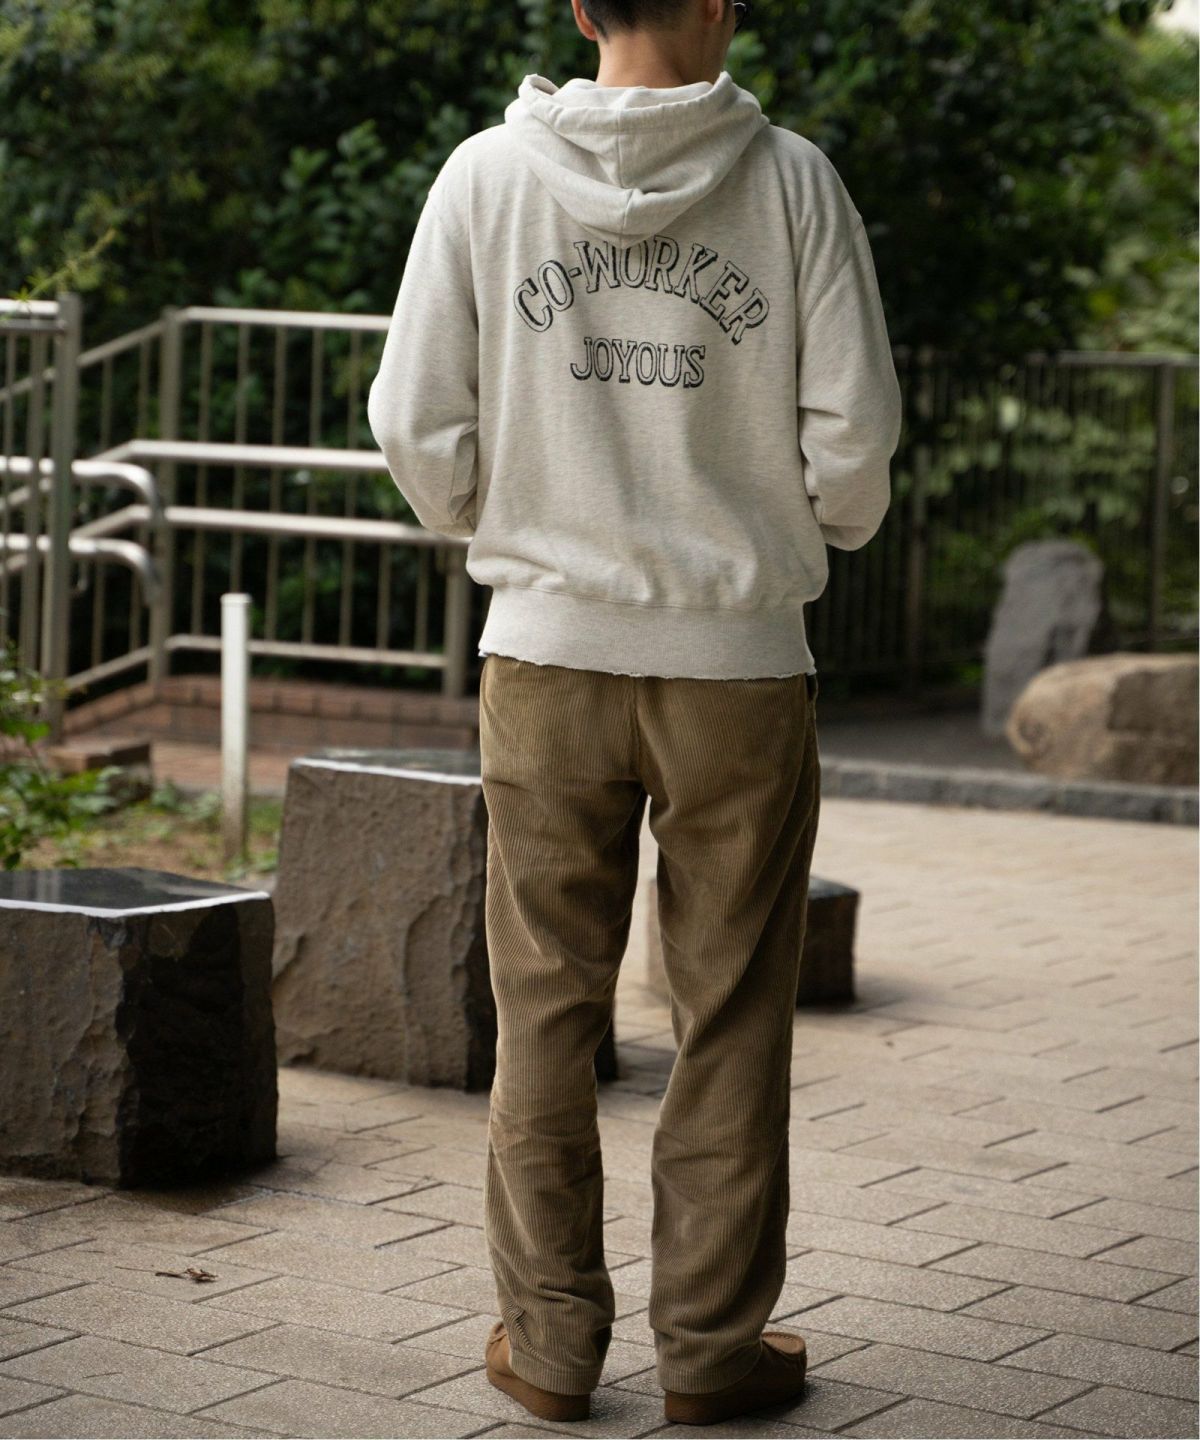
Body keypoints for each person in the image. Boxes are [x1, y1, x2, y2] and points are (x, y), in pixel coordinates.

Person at [367, 0, 903, 1425]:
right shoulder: (792, 182)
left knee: (544, 1005)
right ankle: (713, 1354)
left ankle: (550, 1349)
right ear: (719, 0)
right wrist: (801, 536)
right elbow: (855, 435)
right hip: (739, 664)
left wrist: (507, 529)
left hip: (546, 657)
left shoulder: (488, 177)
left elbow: (413, 419)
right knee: (731, 1011)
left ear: (581, 5)